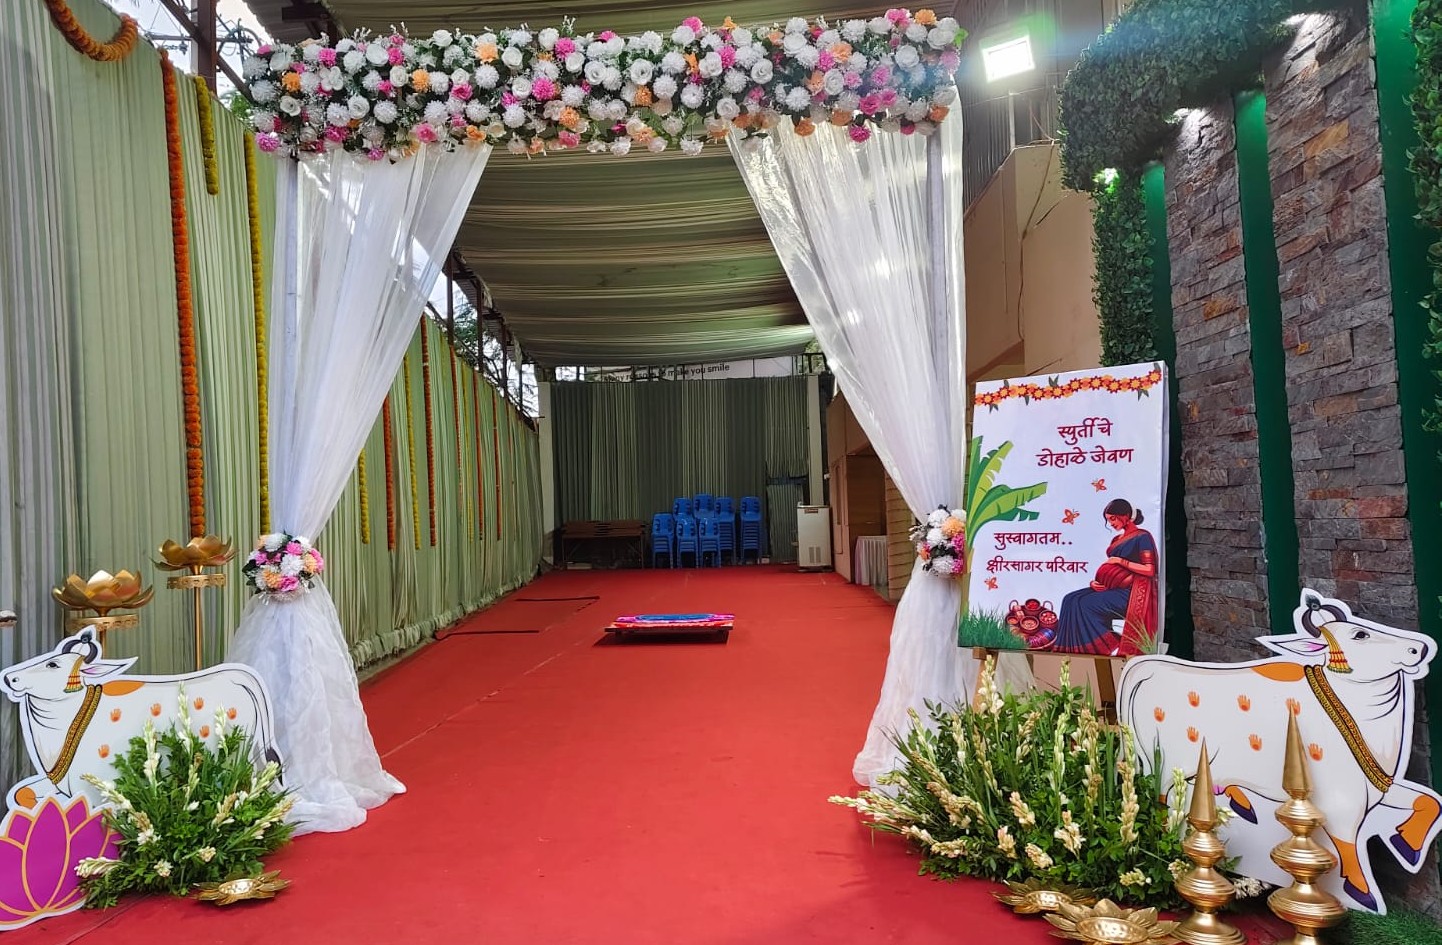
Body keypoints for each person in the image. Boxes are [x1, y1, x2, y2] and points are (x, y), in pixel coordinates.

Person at [1053, 499, 1158, 656]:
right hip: (1112, 588)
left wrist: (1121, 561)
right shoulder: (1117, 539)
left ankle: (1100, 645)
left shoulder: (1142, 537)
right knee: (1070, 599)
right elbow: (1112, 570)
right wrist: (1097, 583)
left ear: (1126, 515)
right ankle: (1067, 651)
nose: (1111, 524)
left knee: (1085, 604)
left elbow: (1149, 570)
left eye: (1113, 519)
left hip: (1129, 594)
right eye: (1108, 520)